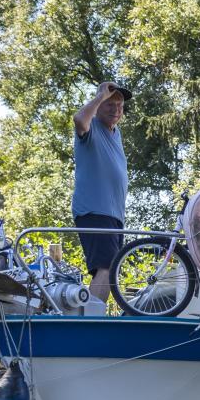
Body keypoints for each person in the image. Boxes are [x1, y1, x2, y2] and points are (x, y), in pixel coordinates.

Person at [72, 81, 132, 303]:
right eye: (110, 104)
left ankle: (95, 313)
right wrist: (99, 97)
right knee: (105, 267)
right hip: (94, 211)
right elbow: (79, 120)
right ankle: (91, 319)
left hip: (113, 216)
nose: (116, 109)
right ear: (98, 107)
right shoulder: (92, 126)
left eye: (120, 105)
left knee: (111, 269)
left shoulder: (115, 134)